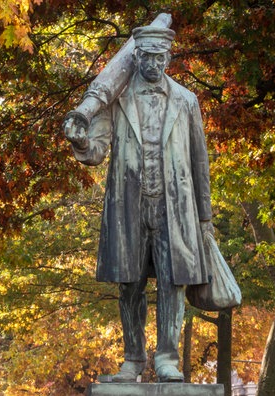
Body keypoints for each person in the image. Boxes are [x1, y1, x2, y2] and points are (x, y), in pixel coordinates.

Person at [63, 15, 215, 383]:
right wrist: (80, 139)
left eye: (157, 57)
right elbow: (96, 149)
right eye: (144, 57)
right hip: (128, 205)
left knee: (171, 280)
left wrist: (205, 219)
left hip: (175, 206)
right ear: (136, 56)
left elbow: (199, 160)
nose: (151, 63)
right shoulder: (117, 98)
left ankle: (167, 358)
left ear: (168, 58)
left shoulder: (187, 101)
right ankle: (133, 358)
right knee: (129, 282)